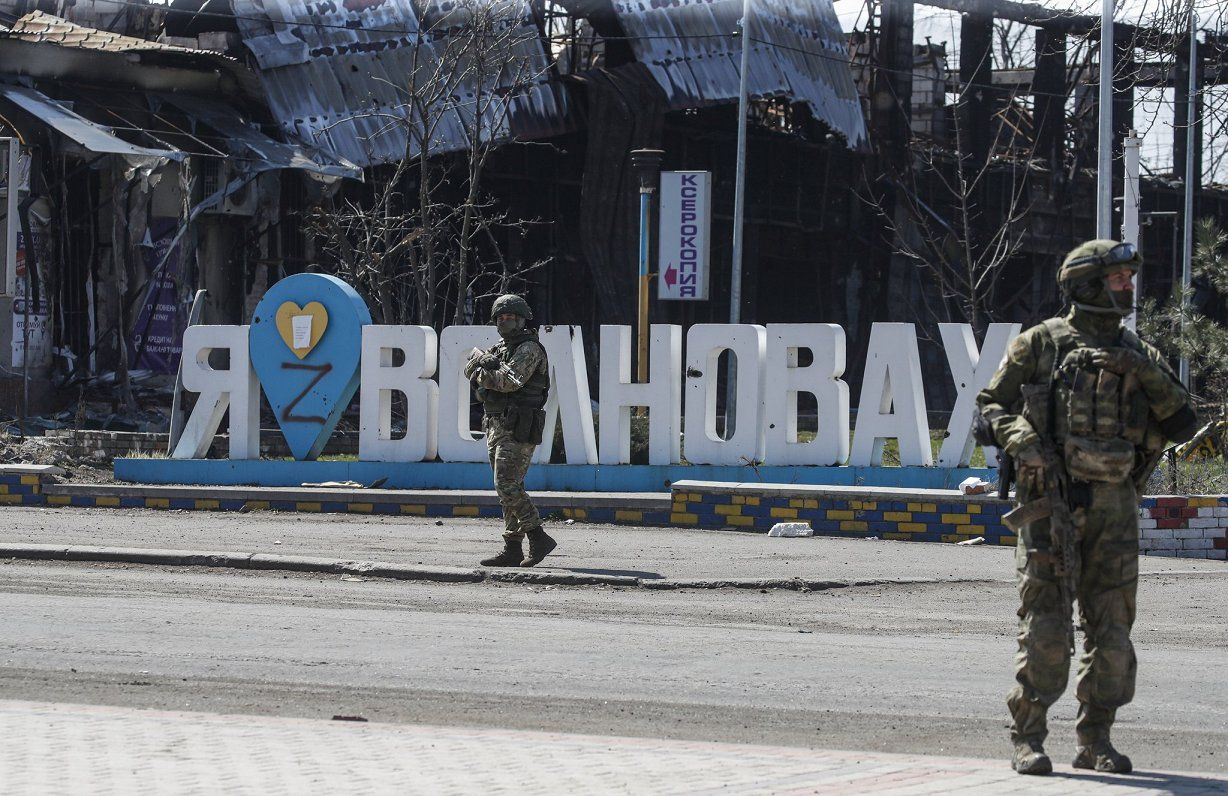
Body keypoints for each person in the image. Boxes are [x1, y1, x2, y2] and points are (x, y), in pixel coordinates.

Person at [976, 239, 1198, 776]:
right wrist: (1022, 439)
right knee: (1047, 629)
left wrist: (1137, 369)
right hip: (1051, 505)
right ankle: (1027, 736)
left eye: (1128, 277)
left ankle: (1095, 737)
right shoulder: (1040, 344)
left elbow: (1181, 422)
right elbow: (989, 406)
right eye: (1119, 277)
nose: (1129, 286)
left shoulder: (1139, 353)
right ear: (1087, 283)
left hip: (1115, 508)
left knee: (1113, 632)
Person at [464, 294, 557, 568]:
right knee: (507, 489)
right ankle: (512, 548)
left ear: (521, 319)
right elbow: (474, 376)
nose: (504, 322)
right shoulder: (501, 347)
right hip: (495, 423)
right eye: (500, 318)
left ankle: (538, 536)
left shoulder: (529, 349)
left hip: (518, 425)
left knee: (506, 485)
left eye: (509, 317)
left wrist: (479, 370)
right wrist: (480, 368)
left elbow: (508, 382)